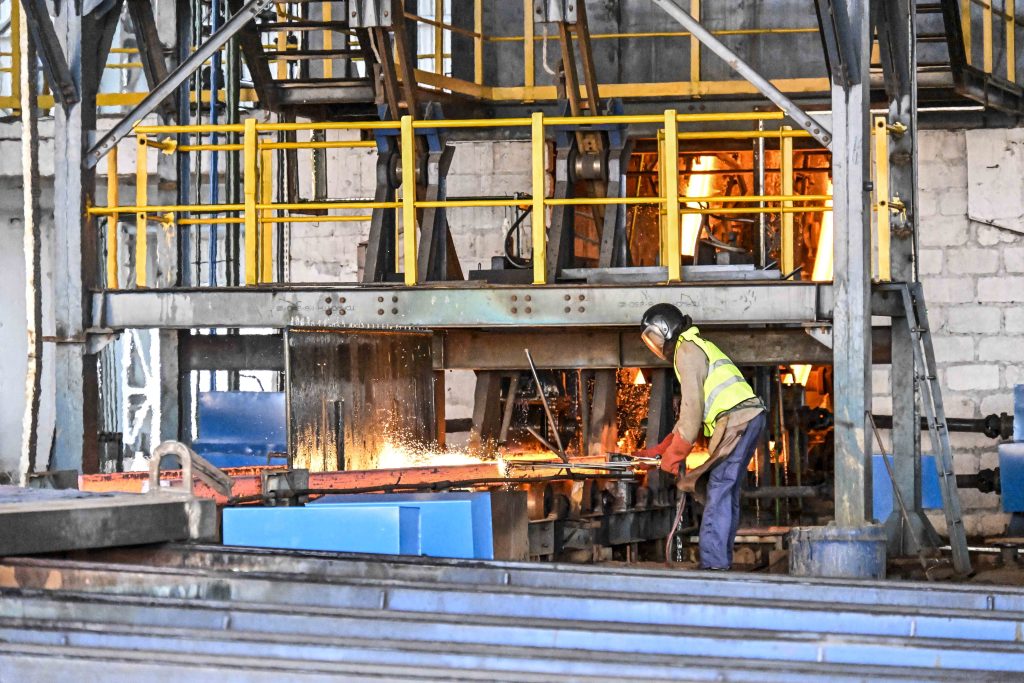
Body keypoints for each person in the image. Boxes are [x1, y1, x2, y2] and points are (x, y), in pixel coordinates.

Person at [637, 303, 767, 570]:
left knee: (718, 489)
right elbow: (691, 413)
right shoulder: (694, 345)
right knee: (724, 490)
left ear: (666, 329)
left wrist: (676, 453)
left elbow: (692, 409)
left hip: (738, 419)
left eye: (654, 337)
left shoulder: (686, 351)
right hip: (748, 417)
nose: (655, 345)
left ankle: (714, 566)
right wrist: (664, 446)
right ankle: (720, 562)